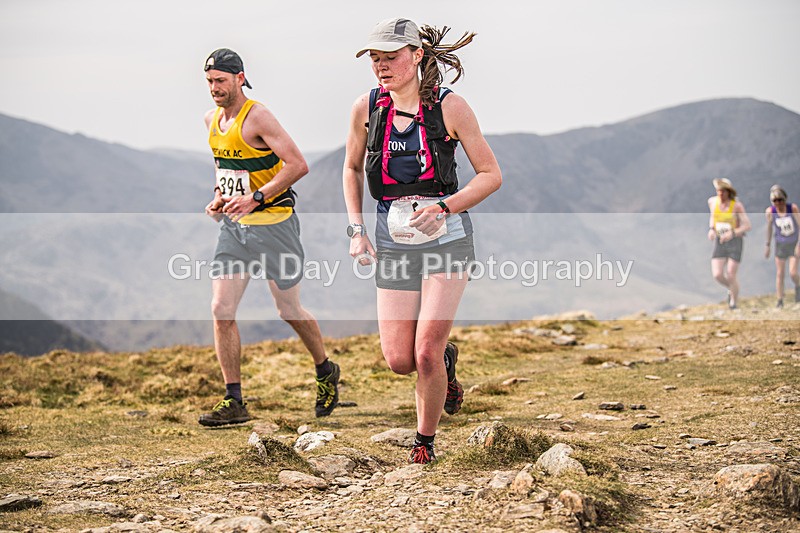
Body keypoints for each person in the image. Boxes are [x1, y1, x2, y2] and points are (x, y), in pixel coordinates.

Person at [342, 19, 502, 463]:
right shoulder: (367, 108)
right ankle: (446, 363)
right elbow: (352, 169)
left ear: (416, 56)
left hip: (446, 239)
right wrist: (356, 231)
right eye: (374, 58)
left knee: (425, 351)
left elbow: (492, 176)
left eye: (390, 57)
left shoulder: (450, 107)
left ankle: (424, 443)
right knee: (399, 359)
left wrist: (444, 207)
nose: (380, 66)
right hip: (392, 240)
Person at [199, 48, 340, 426]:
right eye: (210, 81)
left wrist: (256, 198)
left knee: (288, 310)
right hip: (235, 230)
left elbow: (298, 165)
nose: (214, 88)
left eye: (221, 81)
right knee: (220, 309)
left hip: (275, 225)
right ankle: (234, 400)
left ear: (240, 78)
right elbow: (225, 168)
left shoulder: (258, 116)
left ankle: (325, 369)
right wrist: (219, 200)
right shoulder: (212, 119)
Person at [707, 178, 751, 309]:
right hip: (720, 241)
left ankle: (733, 303)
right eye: (718, 191)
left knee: (731, 274)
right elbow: (713, 216)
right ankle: (732, 290)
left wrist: (733, 233)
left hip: (735, 242)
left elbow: (747, 225)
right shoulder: (712, 202)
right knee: (717, 274)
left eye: (723, 191)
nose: (720, 194)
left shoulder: (736, 205)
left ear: (728, 192)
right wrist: (711, 229)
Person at [764, 185, 800, 308]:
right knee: (780, 273)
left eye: (780, 200)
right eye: (775, 201)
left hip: (793, 243)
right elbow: (769, 228)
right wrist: (767, 245)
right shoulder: (770, 212)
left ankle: (798, 287)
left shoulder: (792, 208)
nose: (778, 203)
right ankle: (780, 300)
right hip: (780, 244)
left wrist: (799, 245)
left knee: (793, 273)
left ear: (785, 199)